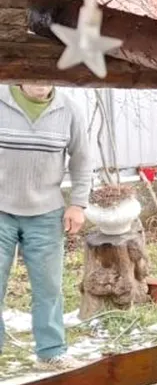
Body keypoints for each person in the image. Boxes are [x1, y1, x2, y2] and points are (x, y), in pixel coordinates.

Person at [0, 83, 91, 369]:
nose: (40, 82)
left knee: (48, 287)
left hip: (46, 212)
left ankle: (50, 352)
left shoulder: (69, 110)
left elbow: (82, 159)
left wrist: (78, 204)